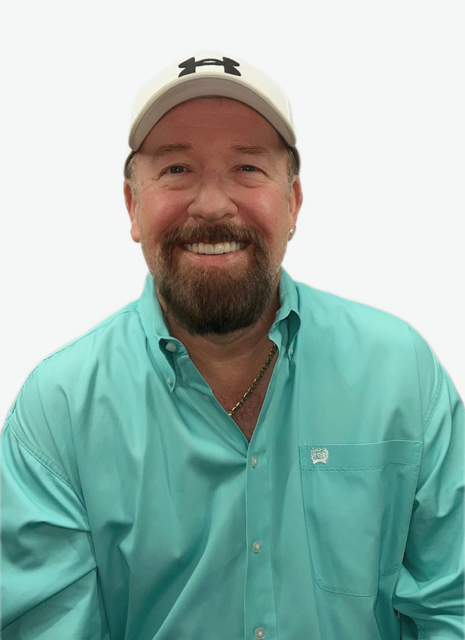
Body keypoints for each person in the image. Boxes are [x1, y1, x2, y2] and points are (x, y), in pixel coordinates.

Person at [1, 51, 463, 640]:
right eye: (177, 169)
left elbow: (452, 609)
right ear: (132, 206)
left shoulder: (402, 375)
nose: (214, 204)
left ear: (293, 202)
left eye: (247, 167)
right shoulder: (59, 411)